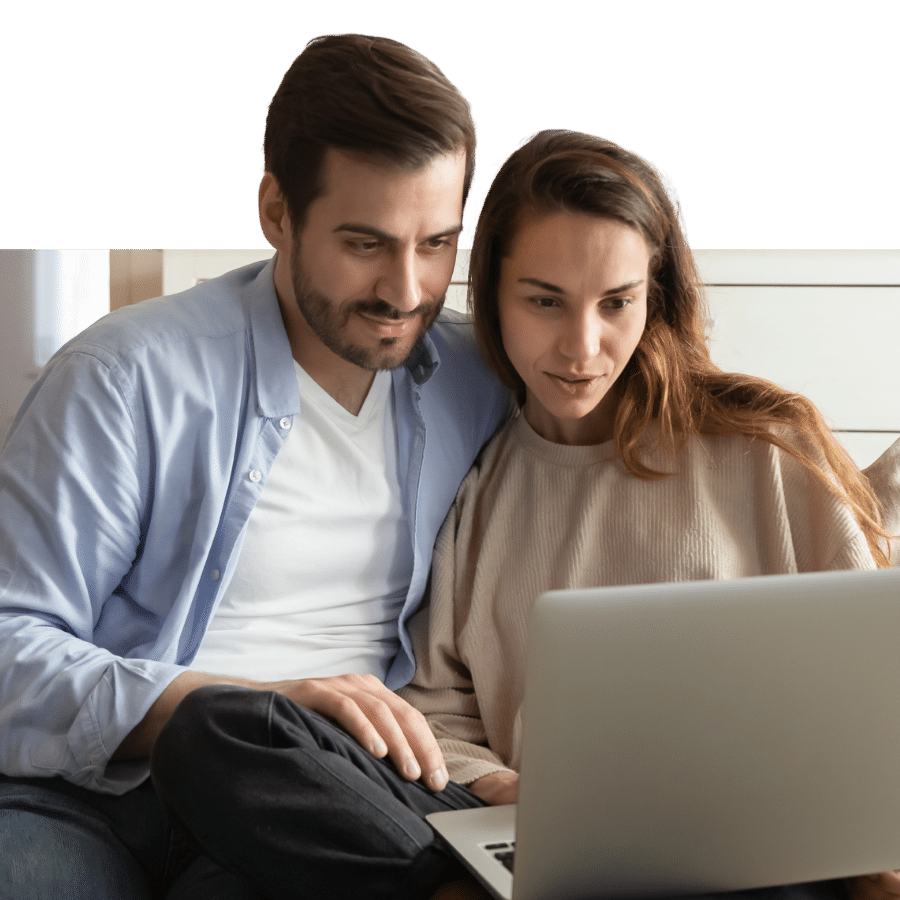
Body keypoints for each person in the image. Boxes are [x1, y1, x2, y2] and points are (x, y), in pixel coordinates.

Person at [150, 129, 895, 900]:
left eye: (617, 303)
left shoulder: (766, 453)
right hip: (527, 831)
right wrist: (501, 788)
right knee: (216, 730)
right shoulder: (476, 477)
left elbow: (872, 676)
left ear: (656, 296)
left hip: (745, 846)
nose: (582, 346)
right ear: (493, 298)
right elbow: (438, 712)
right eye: (544, 301)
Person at [0, 33, 510, 898]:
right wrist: (243, 704)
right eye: (364, 243)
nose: (406, 289)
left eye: (435, 244)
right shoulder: (128, 377)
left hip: (319, 802)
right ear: (277, 210)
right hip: (91, 795)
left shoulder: (475, 376)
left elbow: (625, 384)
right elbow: (9, 646)